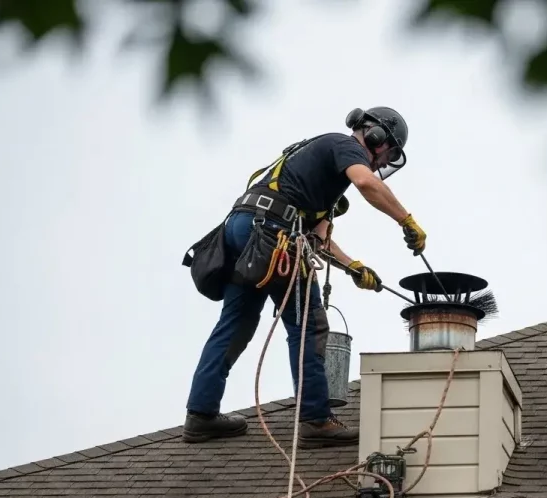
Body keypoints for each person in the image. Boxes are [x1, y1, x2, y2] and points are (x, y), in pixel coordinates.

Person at [182, 106, 426, 447]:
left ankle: (201, 414)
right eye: (390, 153)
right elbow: (366, 183)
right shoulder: (345, 145)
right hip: (272, 234)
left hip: (245, 232)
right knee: (308, 324)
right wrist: (406, 220)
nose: (384, 163)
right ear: (377, 136)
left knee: (236, 323)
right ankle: (316, 419)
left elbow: (318, 240)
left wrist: (354, 267)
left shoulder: (318, 176)